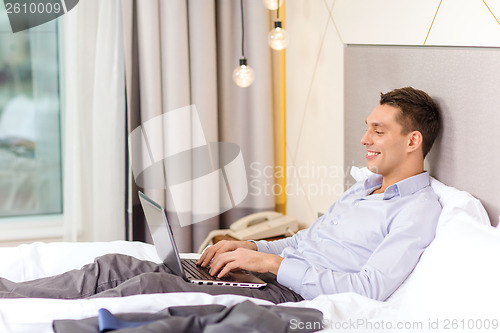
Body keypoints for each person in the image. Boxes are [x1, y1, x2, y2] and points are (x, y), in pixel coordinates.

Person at [0, 87, 441, 304]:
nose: (364, 138)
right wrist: (251, 247)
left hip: (292, 297)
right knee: (117, 265)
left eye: (378, 131)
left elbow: (370, 289)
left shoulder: (417, 210)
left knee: (150, 286)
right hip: (270, 273)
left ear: (412, 141)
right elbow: (303, 243)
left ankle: (36, 320)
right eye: (367, 126)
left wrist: (270, 264)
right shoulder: (362, 188)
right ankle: (11, 295)